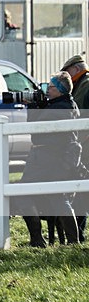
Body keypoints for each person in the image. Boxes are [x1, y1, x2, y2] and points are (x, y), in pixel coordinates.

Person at [16, 71, 82, 247]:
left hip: (47, 158)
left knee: (23, 194)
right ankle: (72, 242)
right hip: (52, 158)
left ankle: (38, 239)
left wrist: (33, 106)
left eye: (51, 87)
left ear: (60, 90)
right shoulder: (63, 104)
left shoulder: (61, 107)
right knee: (58, 197)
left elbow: (36, 128)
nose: (47, 90)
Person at [62, 54, 89, 240]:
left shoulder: (84, 86)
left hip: (86, 143)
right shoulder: (83, 83)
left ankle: (78, 232)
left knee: (81, 187)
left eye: (67, 71)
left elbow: (79, 113)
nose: (66, 75)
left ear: (76, 69)